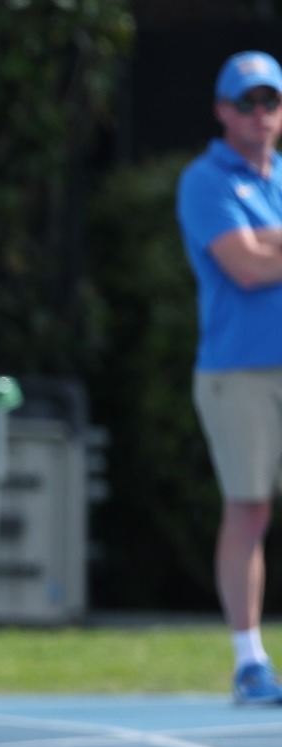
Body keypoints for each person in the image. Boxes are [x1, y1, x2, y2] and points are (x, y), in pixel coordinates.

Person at [178, 51, 282, 705]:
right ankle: (248, 661)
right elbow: (244, 266)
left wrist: (269, 243)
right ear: (222, 111)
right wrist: (262, 250)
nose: (259, 114)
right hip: (237, 371)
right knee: (247, 508)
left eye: (269, 101)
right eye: (245, 102)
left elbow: (262, 253)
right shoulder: (204, 179)